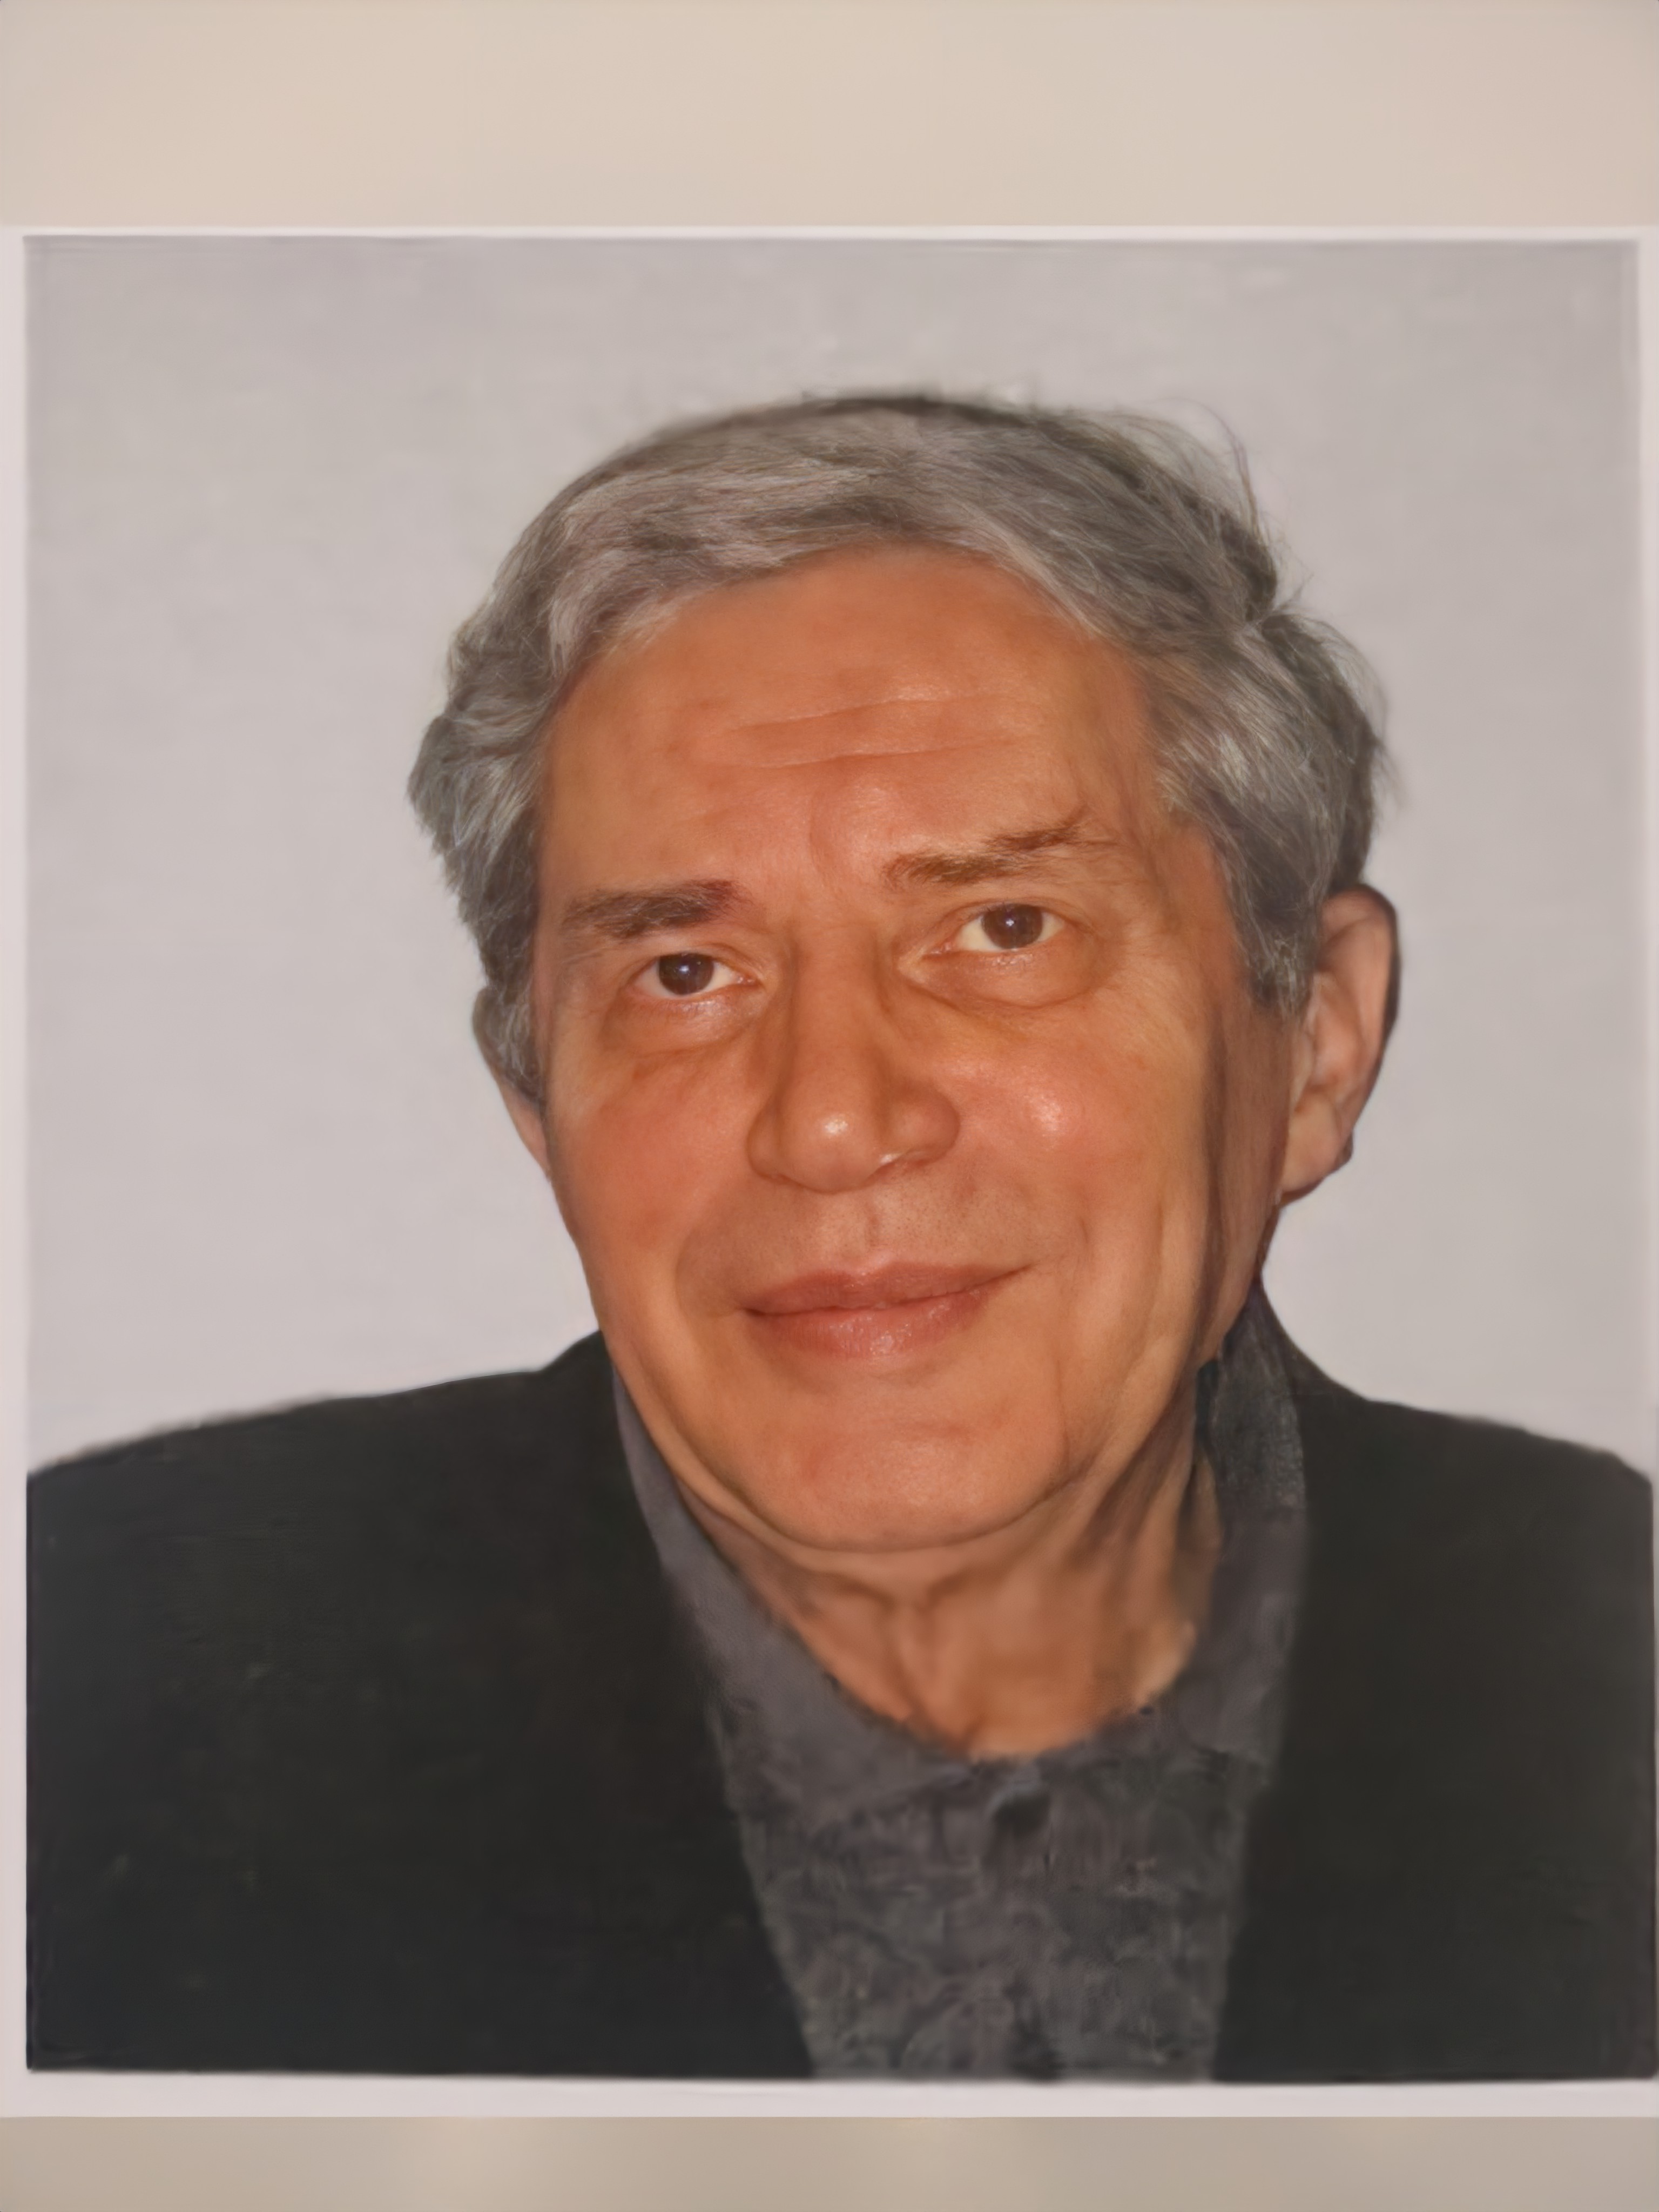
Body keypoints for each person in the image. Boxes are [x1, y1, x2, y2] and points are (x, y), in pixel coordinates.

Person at [28, 396, 1654, 2082]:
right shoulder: (95, 1681)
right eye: (684, 973)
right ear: (538, 1100)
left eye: (1003, 929)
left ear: (1313, 1043)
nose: (830, 1120)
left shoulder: (1609, 1643)